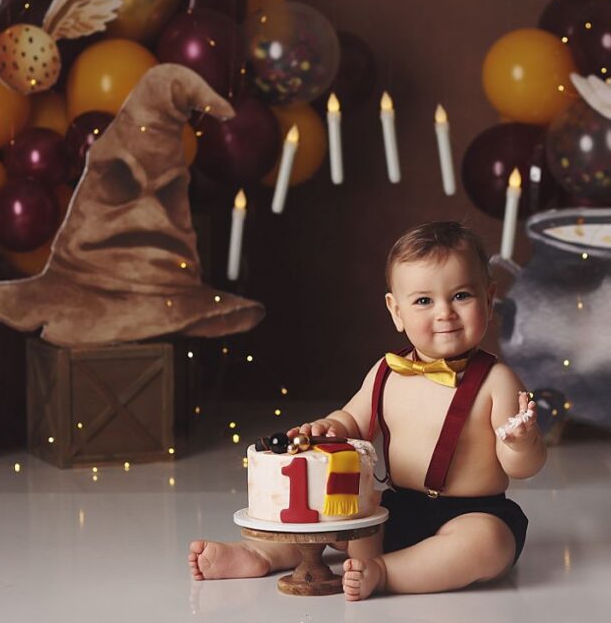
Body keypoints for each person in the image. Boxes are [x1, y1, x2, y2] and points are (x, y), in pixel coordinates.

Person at [188, 221, 546, 600]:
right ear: (396, 311)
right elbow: (352, 422)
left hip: (474, 512)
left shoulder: (497, 381)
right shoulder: (386, 372)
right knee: (339, 517)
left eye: (461, 296)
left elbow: (521, 468)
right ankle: (262, 553)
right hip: (397, 507)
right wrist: (329, 425)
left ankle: (387, 572)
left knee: (487, 544)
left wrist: (521, 444)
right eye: (424, 300)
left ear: (489, 300)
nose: (445, 313)